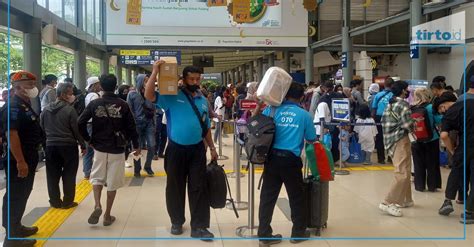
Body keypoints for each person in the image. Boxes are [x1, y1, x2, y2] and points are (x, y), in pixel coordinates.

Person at [144, 61, 218, 240]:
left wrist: (213, 148)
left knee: (198, 187)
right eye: (191, 78)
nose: (195, 81)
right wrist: (155, 71)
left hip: (197, 150)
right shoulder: (172, 96)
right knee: (175, 187)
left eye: (197, 79)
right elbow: (148, 94)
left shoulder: (202, 100)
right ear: (183, 79)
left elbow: (206, 126)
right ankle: (177, 222)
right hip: (176, 149)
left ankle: (199, 226)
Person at [257, 82, 316, 245]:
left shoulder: (272, 110)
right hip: (291, 161)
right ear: (302, 97)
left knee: (268, 198)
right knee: (296, 197)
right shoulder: (304, 115)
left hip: (272, 159)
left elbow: (257, 125)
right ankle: (298, 233)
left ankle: (264, 235)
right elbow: (311, 139)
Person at [78, 74, 140, 227]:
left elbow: (80, 122)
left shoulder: (94, 103)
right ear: (116, 85)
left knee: (97, 177)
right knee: (112, 182)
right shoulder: (123, 104)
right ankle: (107, 215)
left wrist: (89, 140)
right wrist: (137, 145)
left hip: (99, 147)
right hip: (117, 148)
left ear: (101, 86)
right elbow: (132, 127)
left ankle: (97, 205)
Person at [1, 71, 43, 247]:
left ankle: (16, 227)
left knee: (23, 193)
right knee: (15, 195)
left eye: (33, 84)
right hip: (18, 158)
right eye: (29, 85)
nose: (33, 88)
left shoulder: (24, 104)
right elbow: (12, 134)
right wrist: (20, 161)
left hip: (29, 155)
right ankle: (11, 238)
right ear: (17, 87)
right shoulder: (13, 106)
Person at [40, 82, 86, 209]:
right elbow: (76, 130)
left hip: (50, 146)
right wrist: (83, 144)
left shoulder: (45, 110)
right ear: (64, 94)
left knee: (52, 175)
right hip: (68, 146)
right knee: (69, 174)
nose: (73, 96)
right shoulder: (70, 110)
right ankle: (68, 202)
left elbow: (42, 128)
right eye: (71, 94)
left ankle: (54, 201)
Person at [435, 92, 473, 224]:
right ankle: (468, 212)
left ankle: (448, 201)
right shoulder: (470, 102)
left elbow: (444, 136)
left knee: (456, 171)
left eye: (440, 109)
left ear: (444, 105)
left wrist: (452, 150)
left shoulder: (449, 114)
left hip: (464, 145)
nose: (441, 112)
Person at [379, 80, 415, 217]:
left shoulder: (390, 104)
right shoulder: (403, 105)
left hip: (389, 140)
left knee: (405, 168)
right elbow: (407, 125)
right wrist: (414, 123)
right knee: (402, 172)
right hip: (400, 139)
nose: (408, 91)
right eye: (407, 89)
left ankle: (406, 199)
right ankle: (387, 202)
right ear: (403, 91)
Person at [410, 88, 443, 192]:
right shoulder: (430, 107)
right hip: (431, 138)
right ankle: (432, 186)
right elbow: (439, 120)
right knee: (432, 163)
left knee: (418, 163)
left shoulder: (411, 107)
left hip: (416, 139)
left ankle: (419, 186)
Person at [127, 74, 156, 177]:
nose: (147, 83)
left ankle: (147, 166)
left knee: (152, 145)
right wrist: (132, 124)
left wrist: (154, 122)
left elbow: (154, 109)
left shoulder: (151, 93)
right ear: (140, 81)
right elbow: (129, 110)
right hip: (137, 124)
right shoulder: (132, 94)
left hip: (149, 123)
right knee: (136, 147)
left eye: (148, 81)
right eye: (145, 81)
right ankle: (137, 168)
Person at [82, 76, 102, 179]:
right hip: (93, 125)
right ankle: (93, 172)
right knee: (95, 149)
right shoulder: (94, 96)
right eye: (98, 84)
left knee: (88, 150)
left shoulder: (88, 95)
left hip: (88, 124)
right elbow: (97, 112)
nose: (100, 86)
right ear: (94, 85)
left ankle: (87, 172)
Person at [371, 77, 394, 164]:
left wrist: (373, 119)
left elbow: (374, 108)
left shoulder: (378, 95)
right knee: (390, 137)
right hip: (390, 117)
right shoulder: (394, 95)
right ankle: (390, 157)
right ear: (392, 85)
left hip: (378, 117)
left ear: (384, 85)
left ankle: (381, 159)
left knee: (380, 138)